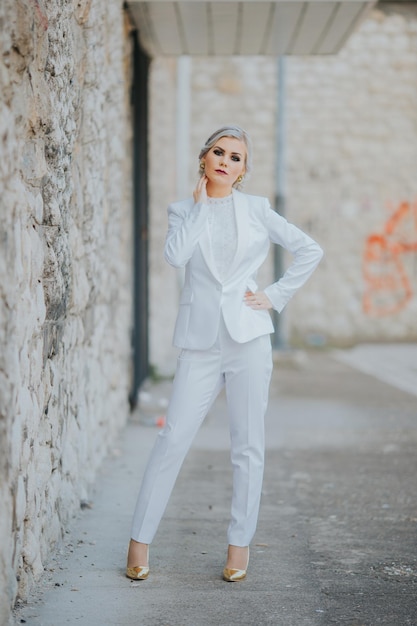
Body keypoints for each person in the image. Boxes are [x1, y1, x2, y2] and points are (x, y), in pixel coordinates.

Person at [126, 125, 323, 582]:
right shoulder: (182, 210)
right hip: (200, 342)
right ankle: (139, 542)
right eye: (219, 152)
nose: (226, 161)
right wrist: (198, 210)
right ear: (204, 158)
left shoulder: (257, 209)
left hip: (248, 338)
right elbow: (176, 258)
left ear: (243, 170)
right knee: (172, 436)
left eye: (236, 158)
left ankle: (239, 547)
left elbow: (309, 249)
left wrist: (274, 295)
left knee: (247, 445)